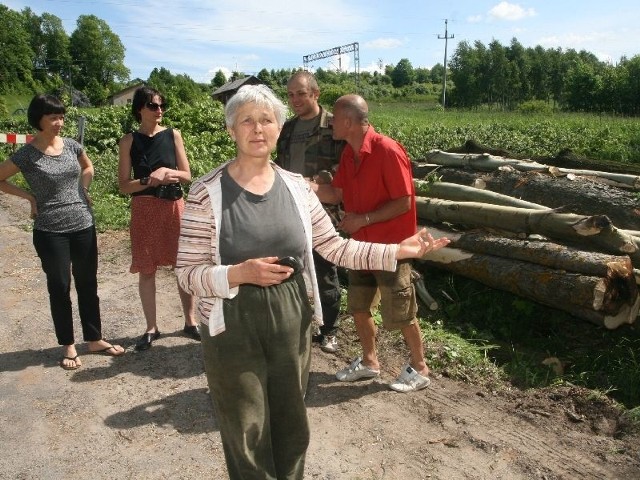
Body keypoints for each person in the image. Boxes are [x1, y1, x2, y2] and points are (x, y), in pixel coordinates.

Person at [174, 84, 449, 480]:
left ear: (278, 127)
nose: (257, 128)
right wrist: (238, 273)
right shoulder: (206, 193)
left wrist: (398, 251)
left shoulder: (298, 188)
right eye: (246, 120)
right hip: (230, 322)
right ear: (231, 129)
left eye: (266, 119)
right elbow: (187, 272)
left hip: (291, 318)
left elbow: (337, 248)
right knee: (246, 425)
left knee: (291, 422)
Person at [311, 93, 439, 393]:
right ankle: (370, 363)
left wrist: (363, 219)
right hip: (361, 248)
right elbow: (336, 193)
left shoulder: (387, 150)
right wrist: (306, 187)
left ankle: (420, 368)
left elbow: (404, 202)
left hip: (391, 248)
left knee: (400, 311)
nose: (330, 124)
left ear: (347, 121)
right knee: (358, 306)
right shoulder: (348, 153)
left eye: (334, 120)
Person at [0, 94, 125, 370]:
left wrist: (84, 188)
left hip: (83, 223)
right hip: (49, 230)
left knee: (87, 283)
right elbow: (0, 178)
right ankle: (68, 344)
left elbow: (88, 166)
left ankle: (94, 338)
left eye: (61, 116)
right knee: (60, 286)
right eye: (53, 117)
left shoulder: (71, 145)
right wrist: (30, 198)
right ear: (39, 119)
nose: (59, 122)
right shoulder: (27, 154)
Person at [117, 86, 199, 351]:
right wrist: (146, 179)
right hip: (144, 209)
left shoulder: (174, 135)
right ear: (140, 108)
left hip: (174, 206)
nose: (159, 110)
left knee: (183, 266)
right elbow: (123, 186)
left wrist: (168, 172)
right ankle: (151, 328)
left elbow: (187, 175)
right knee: (147, 269)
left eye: (162, 105)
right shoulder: (128, 141)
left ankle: (191, 321)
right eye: (153, 106)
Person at [275, 71, 345, 354]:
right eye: (290, 95)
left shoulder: (333, 126)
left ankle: (329, 330)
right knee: (289, 268)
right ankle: (297, 324)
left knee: (325, 270)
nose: (295, 100)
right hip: (289, 209)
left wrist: (320, 182)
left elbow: (348, 166)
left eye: (301, 94)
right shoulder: (287, 129)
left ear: (316, 93)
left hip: (323, 210)